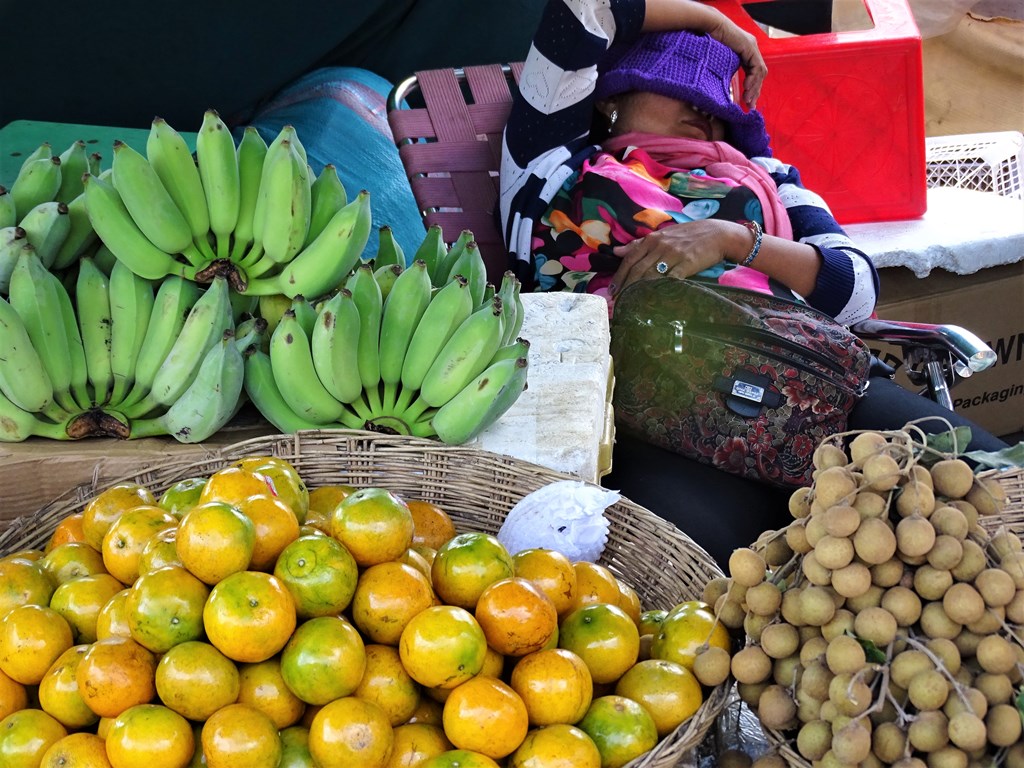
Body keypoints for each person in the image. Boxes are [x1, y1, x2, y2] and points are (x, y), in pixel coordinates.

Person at [499, 0, 1010, 567]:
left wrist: (734, 239)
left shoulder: (760, 176)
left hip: (810, 388)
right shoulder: (552, 170)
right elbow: (585, 9)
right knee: (719, 570)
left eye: (718, 105)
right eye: (678, 86)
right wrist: (716, 23)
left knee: (995, 492)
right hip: (653, 408)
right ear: (613, 98)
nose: (702, 109)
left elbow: (856, 288)